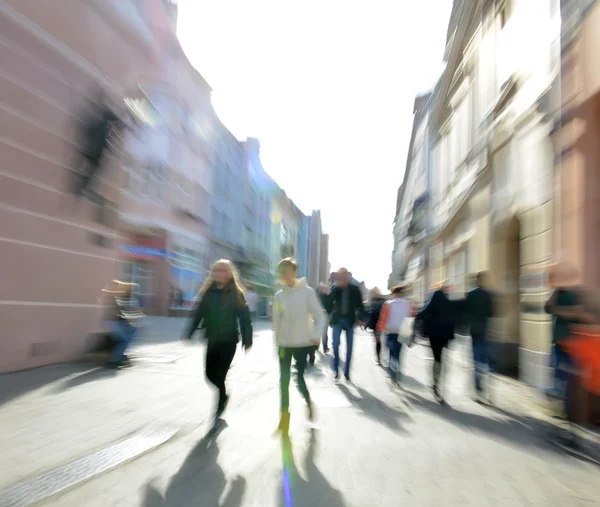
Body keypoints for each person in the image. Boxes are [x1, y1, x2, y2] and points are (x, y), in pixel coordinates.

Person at [184, 259, 253, 423]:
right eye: (217, 271)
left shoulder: (237, 292)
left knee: (221, 375)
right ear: (213, 274)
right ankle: (224, 395)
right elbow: (198, 313)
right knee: (209, 374)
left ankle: (218, 406)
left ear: (229, 273)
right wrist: (189, 332)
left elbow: (245, 318)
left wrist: (247, 339)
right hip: (212, 339)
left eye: (223, 270)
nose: (220, 274)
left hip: (229, 341)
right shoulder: (207, 292)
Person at [273, 258, 326, 435]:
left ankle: (309, 402)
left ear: (295, 272)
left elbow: (320, 316)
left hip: (302, 344)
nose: (286, 275)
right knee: (283, 381)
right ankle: (284, 418)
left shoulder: (307, 292)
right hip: (284, 345)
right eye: (283, 272)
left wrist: (315, 336)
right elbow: (276, 322)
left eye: (289, 271)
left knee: (299, 379)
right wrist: (276, 343)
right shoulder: (279, 295)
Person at [70, 86, 123, 199]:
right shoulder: (105, 111)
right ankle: (82, 187)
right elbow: (120, 123)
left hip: (87, 145)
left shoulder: (89, 111)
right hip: (97, 148)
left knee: (83, 162)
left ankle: (77, 180)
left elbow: (82, 125)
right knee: (94, 169)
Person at [417, 281, 455, 403]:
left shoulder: (437, 296)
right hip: (444, 334)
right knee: (440, 359)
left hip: (435, 334)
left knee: (437, 358)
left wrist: (417, 315)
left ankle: (435, 383)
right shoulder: (445, 298)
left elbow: (426, 311)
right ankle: (437, 383)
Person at [327, 268, 366, 381]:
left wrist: (359, 318)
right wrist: (330, 315)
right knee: (335, 345)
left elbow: (360, 305)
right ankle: (336, 371)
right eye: (341, 275)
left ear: (348, 276)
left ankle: (347, 372)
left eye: (345, 275)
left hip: (349, 320)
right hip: (337, 320)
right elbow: (329, 302)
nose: (344, 277)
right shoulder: (335, 288)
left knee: (349, 348)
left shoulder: (355, 289)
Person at [465, 271, 495, 401]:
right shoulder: (489, 295)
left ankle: (478, 388)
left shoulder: (471, 295)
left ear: (477, 281)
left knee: (476, 359)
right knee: (486, 359)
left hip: (474, 331)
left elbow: (465, 312)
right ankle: (486, 388)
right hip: (486, 330)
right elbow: (492, 313)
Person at [102, 280, 144, 369]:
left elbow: (121, 310)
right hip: (112, 322)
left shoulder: (117, 296)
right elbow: (113, 294)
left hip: (118, 321)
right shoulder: (111, 294)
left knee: (129, 335)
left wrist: (127, 320)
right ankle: (113, 361)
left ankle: (121, 357)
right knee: (123, 341)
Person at [376, 285, 413, 379]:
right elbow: (410, 318)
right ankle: (396, 373)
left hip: (391, 331)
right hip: (402, 332)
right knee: (399, 353)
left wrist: (380, 330)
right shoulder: (408, 304)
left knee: (392, 353)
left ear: (395, 293)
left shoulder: (388, 304)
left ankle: (392, 373)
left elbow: (383, 318)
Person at [367, 287, 387, 365]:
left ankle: (379, 357)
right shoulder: (374, 300)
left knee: (379, 341)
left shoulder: (382, 300)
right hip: (377, 324)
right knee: (378, 341)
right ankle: (379, 358)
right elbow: (371, 313)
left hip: (380, 323)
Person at [317, 283, 331, 354]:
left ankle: (321, 347)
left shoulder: (319, 296)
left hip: (321, 316)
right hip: (320, 316)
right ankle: (321, 347)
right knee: (322, 333)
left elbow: (329, 306)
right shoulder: (317, 295)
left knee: (322, 332)